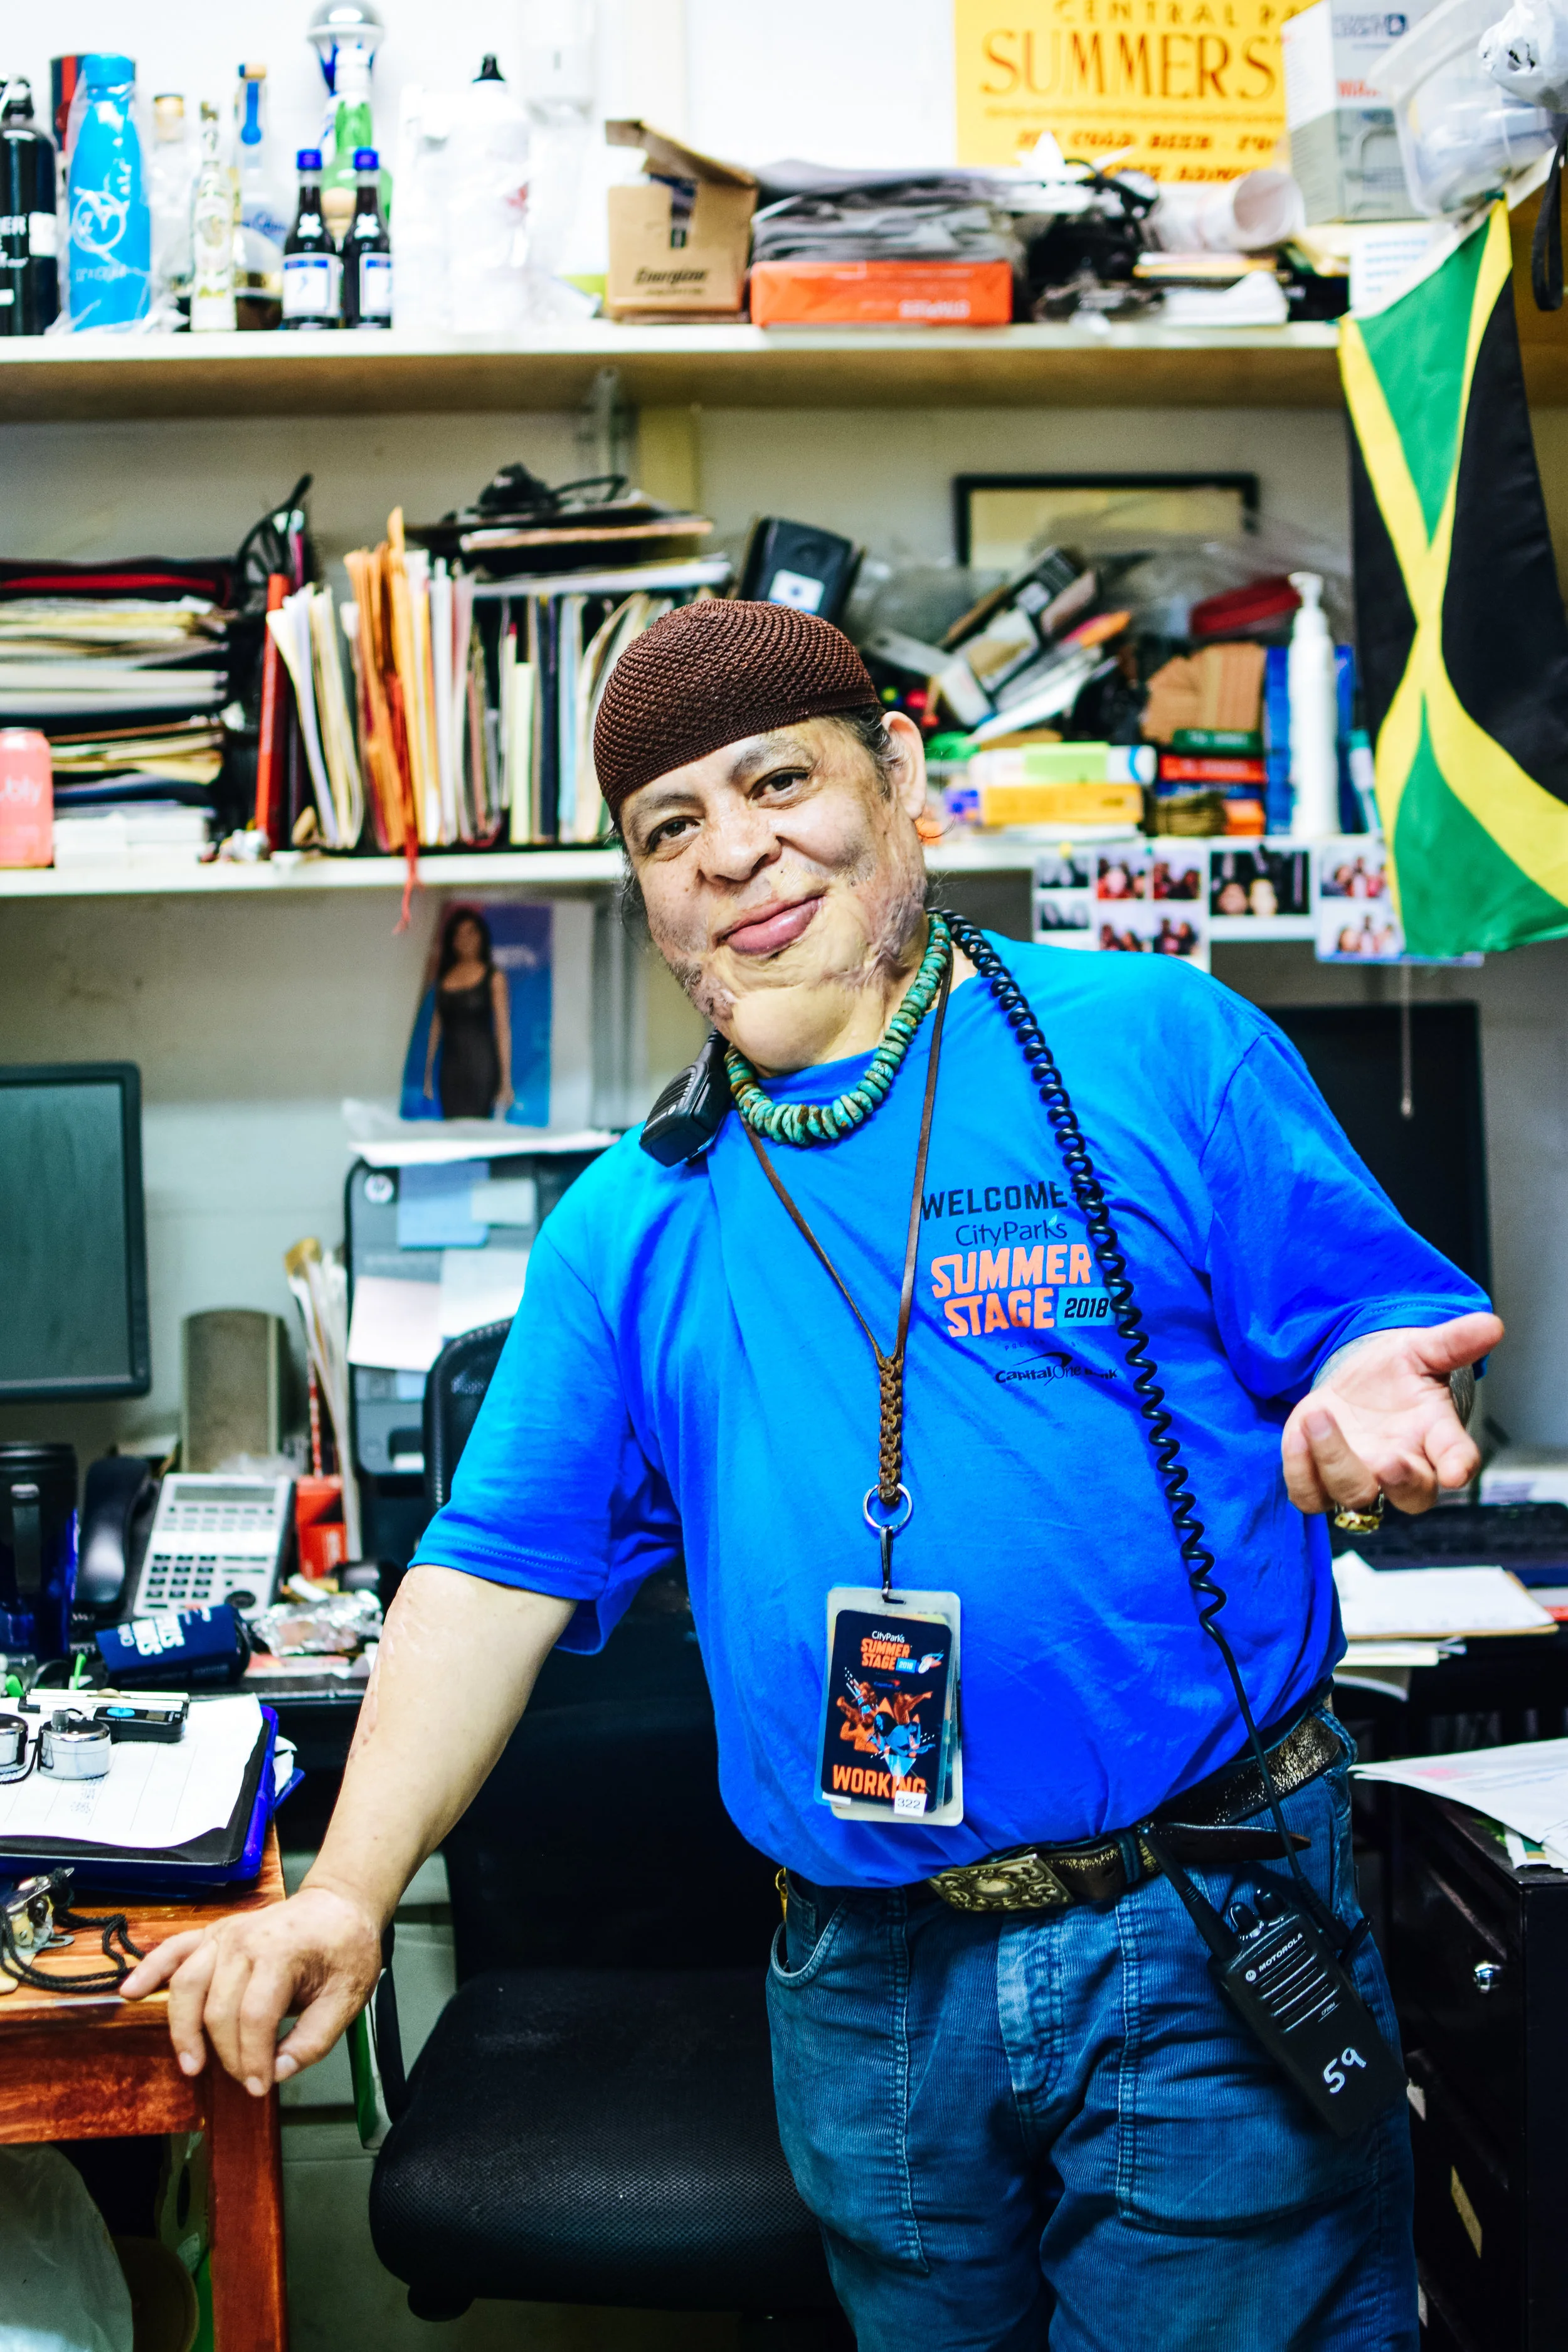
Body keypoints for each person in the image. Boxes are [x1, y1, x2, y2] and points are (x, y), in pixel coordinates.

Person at [124, 601, 1500, 2352]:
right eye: (669, 826)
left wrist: (1372, 1383)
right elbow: (488, 1572)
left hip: (1193, 1926)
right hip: (866, 1990)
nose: (732, 853)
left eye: (778, 781)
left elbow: (1380, 1330)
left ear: (899, 776)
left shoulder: (1158, 1045)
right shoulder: (630, 1220)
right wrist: (344, 1889)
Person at [421, 906, 513, 1119]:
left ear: (481, 936)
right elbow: (436, 1027)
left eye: (471, 933)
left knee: (478, 1126)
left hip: (482, 1066)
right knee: (452, 1126)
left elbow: (502, 1029)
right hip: (450, 1068)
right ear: (452, 941)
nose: (466, 940)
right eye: (459, 935)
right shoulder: (443, 979)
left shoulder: (494, 977)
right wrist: (428, 1072)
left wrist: (506, 1081)